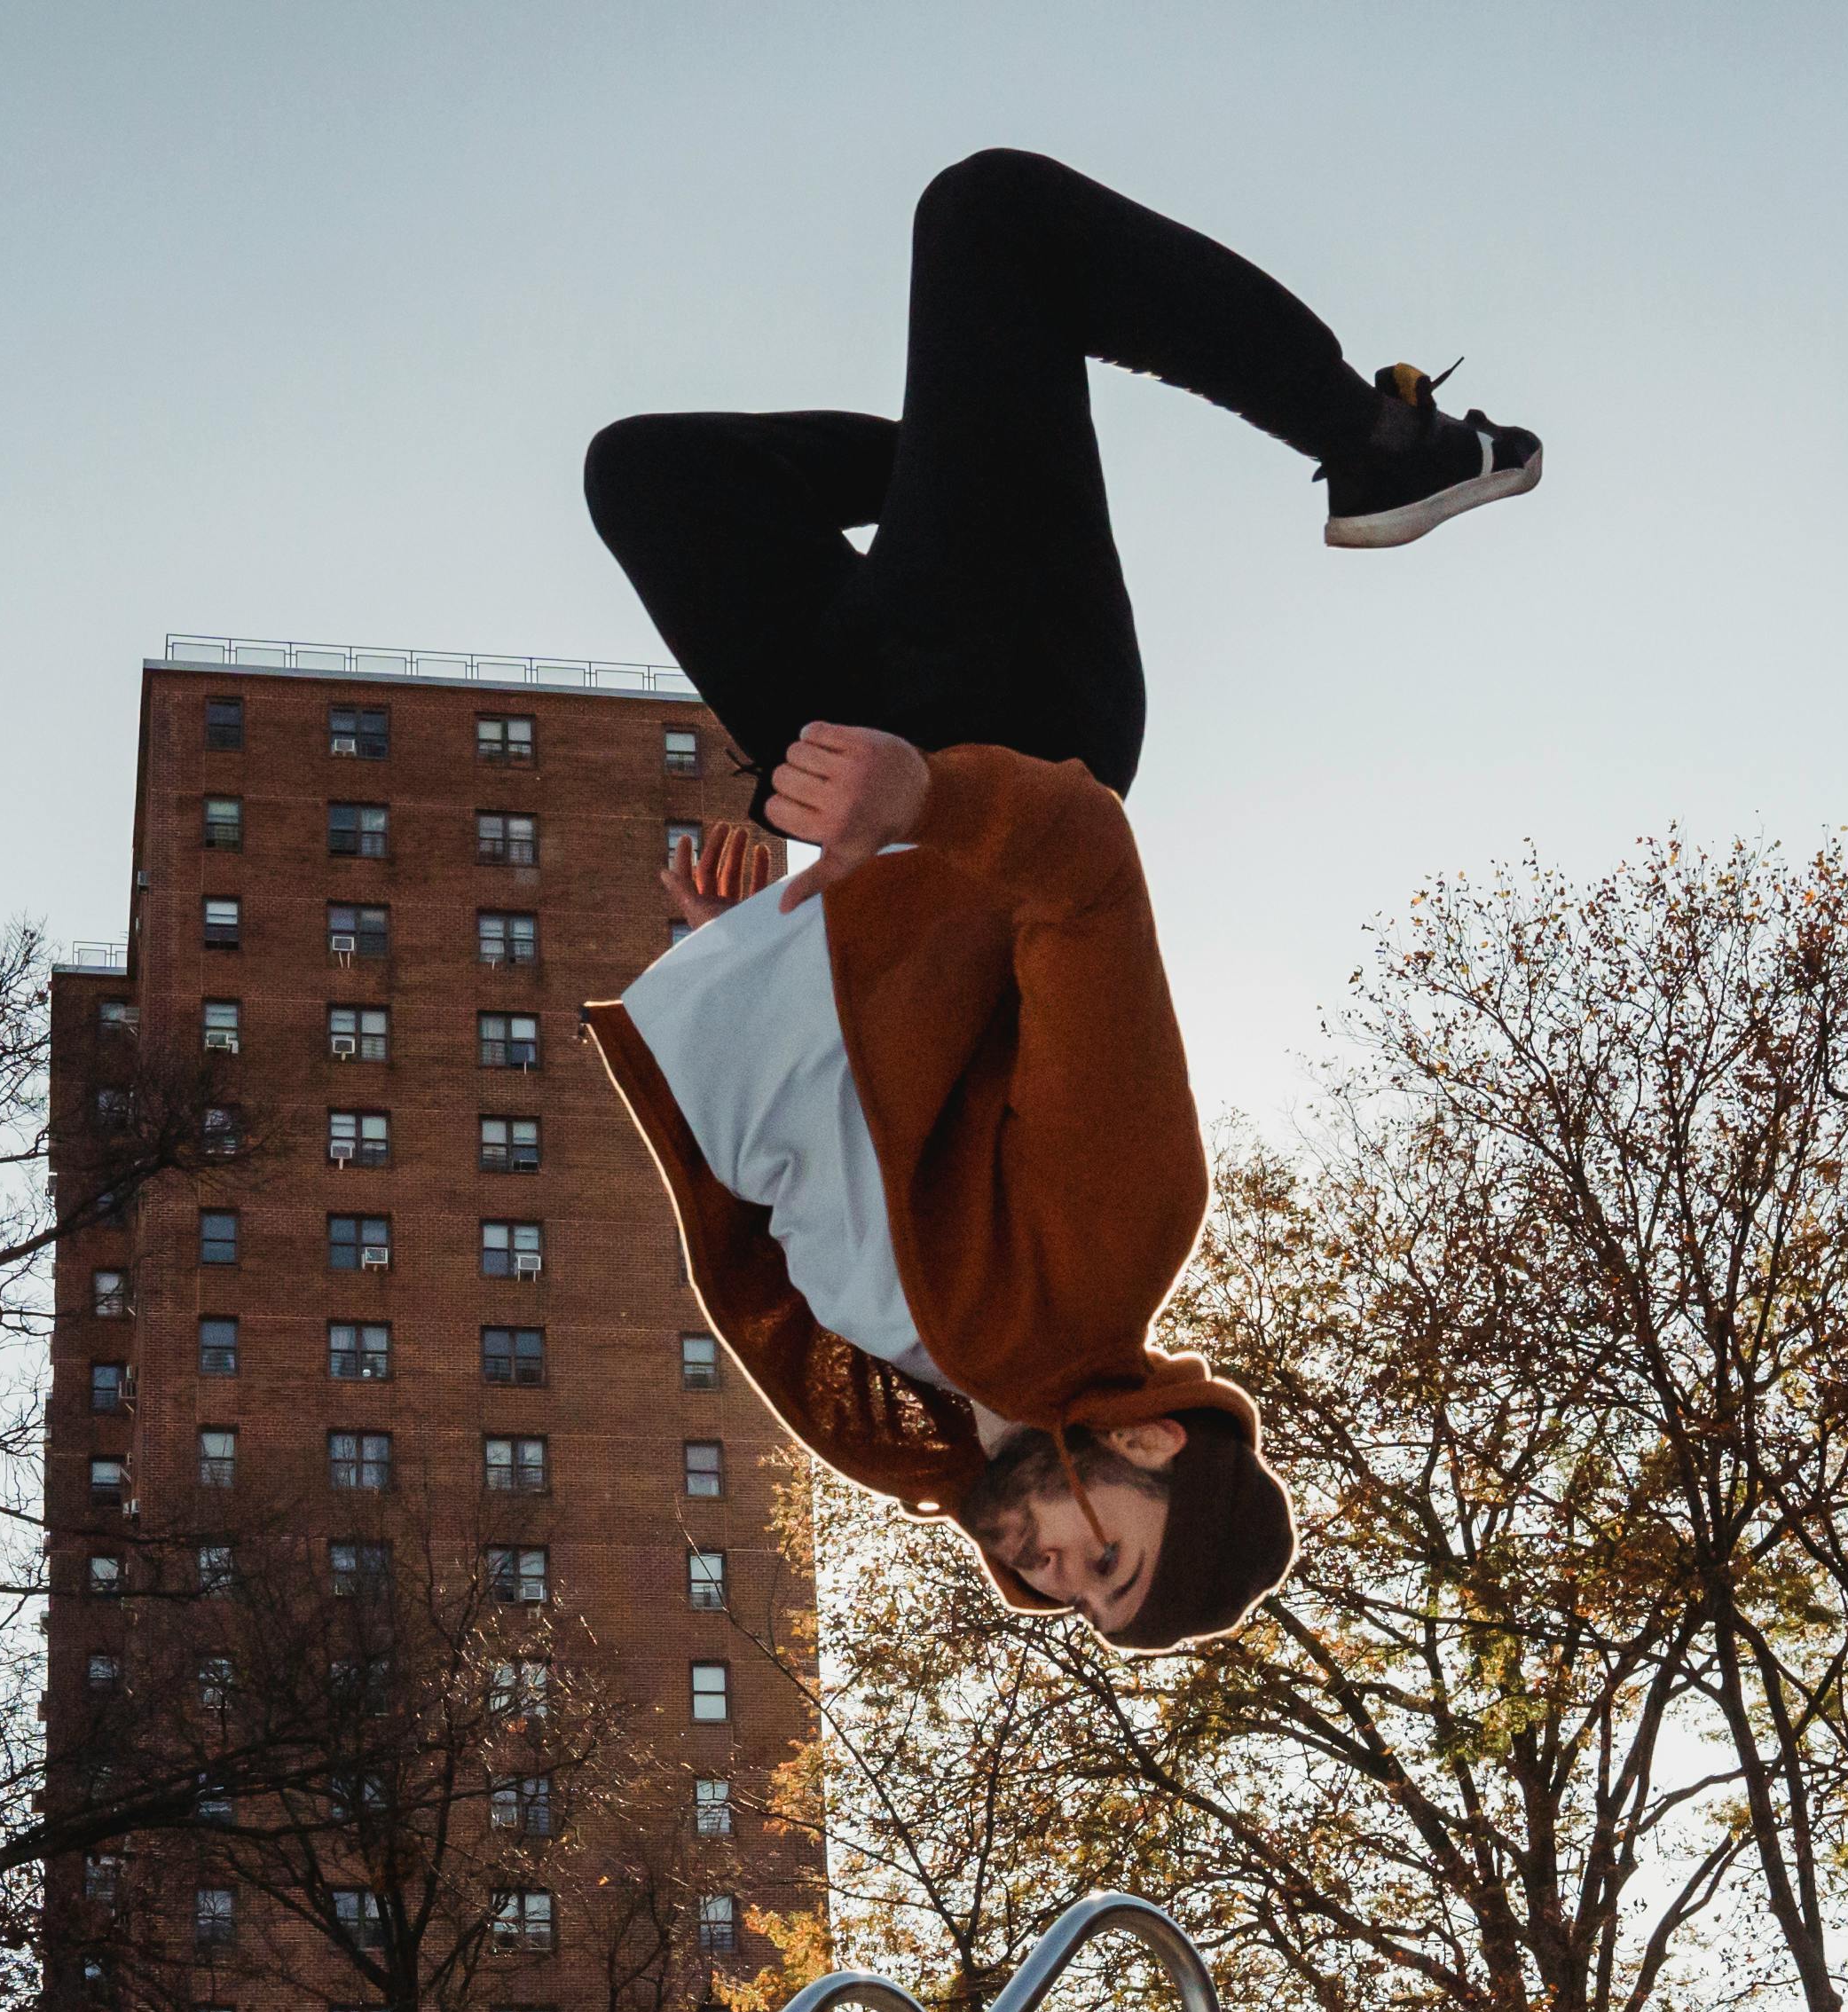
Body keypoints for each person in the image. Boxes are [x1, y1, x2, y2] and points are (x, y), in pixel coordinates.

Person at [578, 149, 1539, 1648]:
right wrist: (931, 798)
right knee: (991, 221)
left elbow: (823, 1150)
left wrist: (753, 955)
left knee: (653, 477)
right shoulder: (1116, 1247)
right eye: (1108, 1564)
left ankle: (969, 451)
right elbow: (1084, 878)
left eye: (1064, 1596)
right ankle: (1385, 443)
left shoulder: (915, 1424)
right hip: (1012, 726)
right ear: (1158, 1450)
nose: (1045, 1573)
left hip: (852, 788)